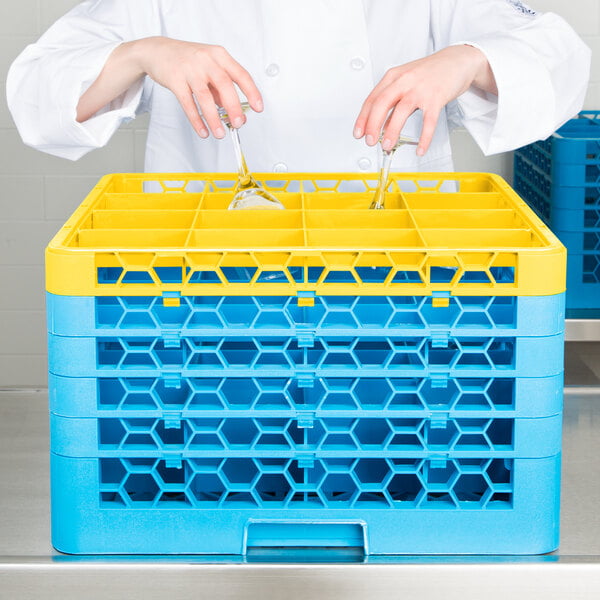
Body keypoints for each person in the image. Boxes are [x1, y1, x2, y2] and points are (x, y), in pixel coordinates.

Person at [6, 0, 591, 175]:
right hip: (212, 276)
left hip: (395, 271)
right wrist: (143, 52)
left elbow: (559, 57)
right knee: (223, 455)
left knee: (382, 450)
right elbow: (37, 91)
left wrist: (467, 60)